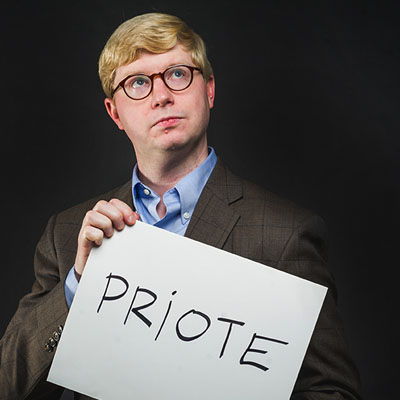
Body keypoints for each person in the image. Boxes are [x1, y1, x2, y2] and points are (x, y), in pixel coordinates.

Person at [0, 12, 361, 400]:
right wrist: (77, 287)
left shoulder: (286, 234)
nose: (161, 96)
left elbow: (331, 392)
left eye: (177, 74)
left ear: (208, 90)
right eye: (138, 82)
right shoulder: (68, 234)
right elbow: (11, 387)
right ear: (115, 113)